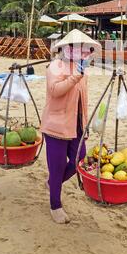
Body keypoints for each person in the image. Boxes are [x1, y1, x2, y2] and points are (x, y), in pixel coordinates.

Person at [40, 29, 100, 224]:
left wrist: (86, 124)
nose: (79, 51)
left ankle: (52, 184)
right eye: (73, 47)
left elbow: (83, 100)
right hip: (56, 127)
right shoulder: (55, 66)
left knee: (79, 162)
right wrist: (76, 74)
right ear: (65, 48)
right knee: (56, 168)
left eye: (82, 48)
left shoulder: (82, 69)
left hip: (77, 127)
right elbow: (55, 91)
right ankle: (55, 205)